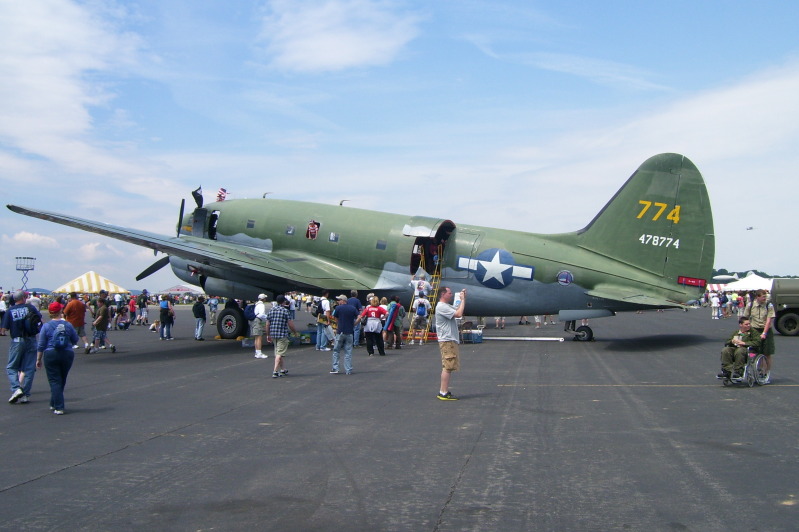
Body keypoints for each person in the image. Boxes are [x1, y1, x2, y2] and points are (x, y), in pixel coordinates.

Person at [36, 302, 79, 415]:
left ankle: (58, 406)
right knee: (62, 378)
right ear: (60, 311)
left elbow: (41, 345)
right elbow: (75, 339)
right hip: (67, 353)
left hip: (51, 353)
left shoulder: (46, 326)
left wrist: (38, 359)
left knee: (54, 380)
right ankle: (54, 402)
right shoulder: (68, 325)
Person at [2, 290, 42, 404]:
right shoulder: (30, 308)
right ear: (23, 298)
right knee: (29, 368)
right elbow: (39, 320)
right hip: (31, 339)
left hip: (17, 340)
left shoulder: (10, 310)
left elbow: (4, 328)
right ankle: (26, 394)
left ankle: (16, 388)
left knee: (12, 367)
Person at [435, 286, 466, 400]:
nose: (451, 295)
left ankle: (444, 391)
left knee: (449, 366)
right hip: (447, 339)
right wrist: (463, 300)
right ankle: (443, 392)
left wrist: (462, 299)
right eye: (449, 293)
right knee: (448, 366)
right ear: (443, 294)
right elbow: (458, 314)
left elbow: (458, 311)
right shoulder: (442, 307)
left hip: (449, 339)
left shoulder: (446, 306)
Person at [744, 289, 776, 382]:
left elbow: (769, 320)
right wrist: (745, 330)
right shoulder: (750, 305)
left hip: (766, 329)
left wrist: (764, 333)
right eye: (763, 297)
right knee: (754, 350)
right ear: (757, 297)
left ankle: (765, 372)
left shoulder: (768, 305)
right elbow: (745, 318)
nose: (765, 298)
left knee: (767, 352)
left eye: (765, 296)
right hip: (754, 329)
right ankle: (756, 369)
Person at [264, 295, 298, 378]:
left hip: (274, 334)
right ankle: (275, 371)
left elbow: (267, 324)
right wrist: (295, 332)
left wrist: (268, 334)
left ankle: (283, 369)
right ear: (284, 301)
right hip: (282, 334)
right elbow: (290, 324)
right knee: (279, 353)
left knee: (278, 352)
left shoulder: (271, 310)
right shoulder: (285, 311)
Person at [330, 295, 359, 374]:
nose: (338, 302)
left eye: (339, 300)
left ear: (343, 300)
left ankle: (335, 368)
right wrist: (355, 324)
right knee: (348, 352)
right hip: (349, 332)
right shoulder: (352, 308)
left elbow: (335, 318)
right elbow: (359, 317)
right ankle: (348, 369)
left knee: (336, 350)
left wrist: (337, 325)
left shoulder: (338, 308)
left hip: (341, 331)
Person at [252, 294, 269, 358]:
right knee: (259, 337)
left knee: (256, 338)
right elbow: (261, 314)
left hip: (255, 320)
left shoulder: (257, 304)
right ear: (263, 299)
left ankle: (257, 352)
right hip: (259, 320)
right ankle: (259, 353)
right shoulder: (261, 305)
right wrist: (267, 317)